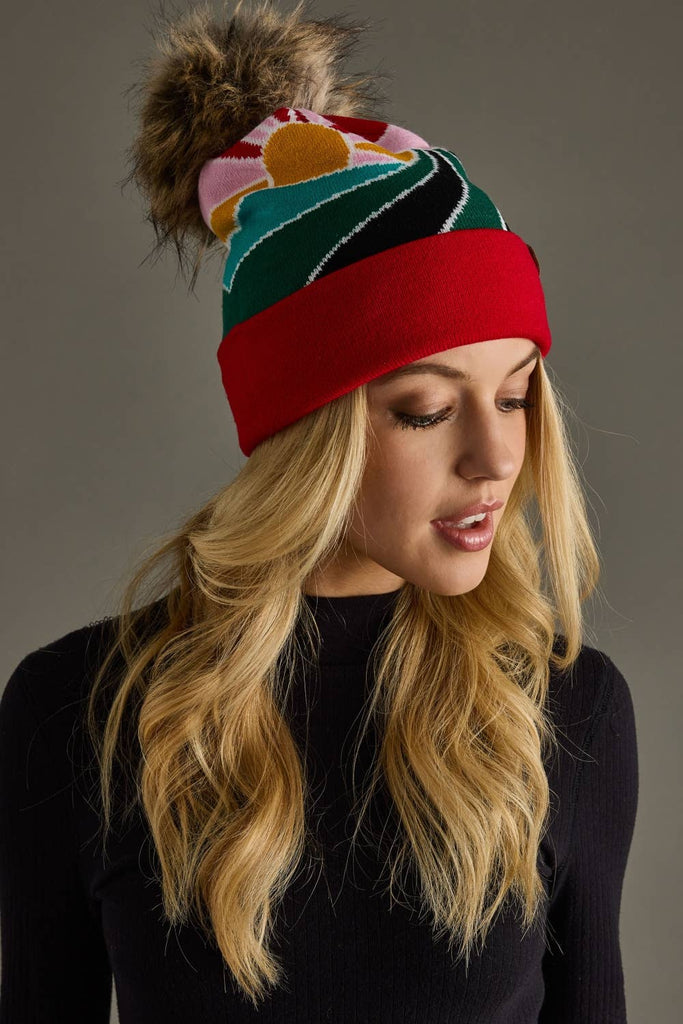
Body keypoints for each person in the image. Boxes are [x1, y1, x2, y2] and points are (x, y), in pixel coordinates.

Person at [0, 1, 639, 1021]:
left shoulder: (569, 713)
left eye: (516, 395)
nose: (495, 460)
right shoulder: (79, 713)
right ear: (305, 433)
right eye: (426, 409)